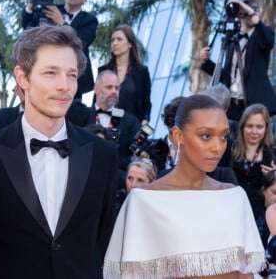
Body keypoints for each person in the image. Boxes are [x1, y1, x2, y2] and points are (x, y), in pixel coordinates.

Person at [0, 25, 118, 279]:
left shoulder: (103, 156)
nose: (64, 86)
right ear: (23, 77)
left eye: (71, 75)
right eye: (51, 73)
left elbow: (104, 243)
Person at [104, 94, 265, 279]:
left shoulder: (234, 197)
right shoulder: (145, 201)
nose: (217, 147)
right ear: (178, 135)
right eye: (206, 135)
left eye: (224, 136)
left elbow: (245, 273)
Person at [200, 0, 276, 121]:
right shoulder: (233, 41)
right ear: (239, 15)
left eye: (255, 10)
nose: (252, 13)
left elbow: (268, 40)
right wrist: (206, 62)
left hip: (255, 104)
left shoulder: (264, 34)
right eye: (246, 11)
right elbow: (226, 75)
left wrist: (249, 11)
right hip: (234, 106)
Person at [22, 0, 98, 99]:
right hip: (48, 69)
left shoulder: (89, 20)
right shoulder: (51, 9)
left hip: (75, 77)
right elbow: (28, 25)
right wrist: (32, 2)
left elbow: (81, 43)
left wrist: (62, 23)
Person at [81, 70, 140, 182]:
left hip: (116, 180)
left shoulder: (130, 121)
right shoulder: (82, 115)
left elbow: (134, 156)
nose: (114, 91)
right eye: (109, 87)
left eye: (117, 88)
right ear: (96, 89)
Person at [231, 103, 275, 237]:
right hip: (234, 215)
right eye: (250, 126)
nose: (254, 131)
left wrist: (274, 177)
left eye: (259, 127)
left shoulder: (272, 155)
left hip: (262, 221)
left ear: (266, 128)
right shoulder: (229, 150)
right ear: (242, 126)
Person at [98, 24, 152, 124]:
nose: (114, 43)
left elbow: (146, 104)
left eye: (119, 39)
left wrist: (144, 122)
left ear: (130, 44)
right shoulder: (103, 70)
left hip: (131, 128)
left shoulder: (141, 72)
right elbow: (96, 101)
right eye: (113, 40)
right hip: (105, 126)